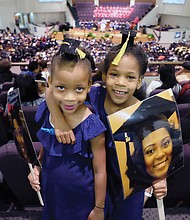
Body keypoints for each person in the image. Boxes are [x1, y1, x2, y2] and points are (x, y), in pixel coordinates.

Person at [44, 31, 168, 219]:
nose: (120, 83)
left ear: (139, 81)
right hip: (93, 186)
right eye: (114, 74)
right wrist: (59, 121)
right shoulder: (94, 95)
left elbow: (161, 154)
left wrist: (160, 180)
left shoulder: (148, 114)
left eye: (130, 77)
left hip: (129, 189)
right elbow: (50, 92)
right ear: (104, 74)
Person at [28, 38, 107, 220]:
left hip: (80, 199)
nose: (69, 98)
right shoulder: (47, 111)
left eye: (79, 89)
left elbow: (100, 171)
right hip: (52, 191)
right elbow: (47, 148)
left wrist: (99, 208)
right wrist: (37, 169)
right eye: (61, 88)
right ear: (50, 83)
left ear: (89, 86)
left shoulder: (92, 126)